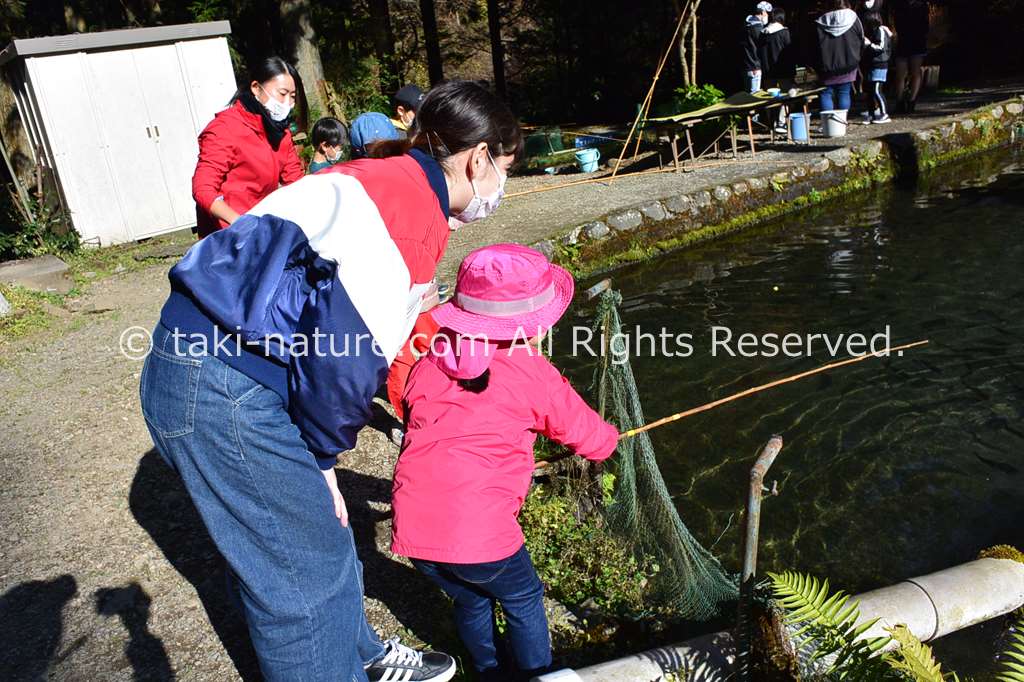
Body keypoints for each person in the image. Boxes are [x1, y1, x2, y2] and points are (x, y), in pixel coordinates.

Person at [139, 80, 522, 682]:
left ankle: (358, 655)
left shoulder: (390, 177)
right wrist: (321, 457)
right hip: (221, 379)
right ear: (478, 159)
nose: (501, 189)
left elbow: (378, 323)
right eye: (505, 169)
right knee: (299, 581)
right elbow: (346, 359)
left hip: (228, 358)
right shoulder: (406, 209)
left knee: (326, 531)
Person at [391, 243, 619, 681]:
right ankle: (539, 673)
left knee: (471, 599)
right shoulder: (531, 370)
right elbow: (593, 439)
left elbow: (417, 412)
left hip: (414, 530)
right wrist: (610, 437)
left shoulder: (430, 360)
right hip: (479, 534)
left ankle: (488, 671)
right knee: (524, 597)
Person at [192, 57, 305, 238]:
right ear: (256, 88)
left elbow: (296, 183)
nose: (287, 103)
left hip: (264, 230)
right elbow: (203, 189)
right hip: (228, 237)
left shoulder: (281, 133)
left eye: (292, 97)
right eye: (282, 93)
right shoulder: (225, 128)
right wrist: (240, 223)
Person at [816, 0, 865, 112]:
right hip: (849, 63)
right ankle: (842, 121)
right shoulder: (854, 18)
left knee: (825, 93)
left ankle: (828, 123)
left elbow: (814, 45)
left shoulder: (821, 21)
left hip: (826, 66)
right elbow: (861, 39)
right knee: (844, 91)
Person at [759, 6, 796, 131]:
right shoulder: (784, 32)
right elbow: (790, 53)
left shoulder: (763, 33)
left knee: (770, 99)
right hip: (784, 71)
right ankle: (781, 121)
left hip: (768, 72)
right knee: (789, 96)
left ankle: (771, 123)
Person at [892, 0, 930, 113]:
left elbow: (925, 25)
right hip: (903, 41)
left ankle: (912, 100)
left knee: (915, 71)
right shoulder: (899, 5)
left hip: (917, 41)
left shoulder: (922, 5)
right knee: (900, 73)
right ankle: (899, 101)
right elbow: (896, 22)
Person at [862, 10, 894, 123]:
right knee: (870, 91)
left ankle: (884, 114)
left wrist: (868, 44)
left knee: (877, 90)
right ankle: (872, 114)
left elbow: (880, 47)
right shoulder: (871, 31)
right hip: (871, 64)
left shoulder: (880, 30)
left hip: (880, 65)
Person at [741, 2, 773, 93]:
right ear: (763, 12)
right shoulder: (757, 27)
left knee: (748, 95)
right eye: (767, 13)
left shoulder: (747, 24)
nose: (768, 15)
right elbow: (761, 46)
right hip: (754, 66)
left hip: (746, 65)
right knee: (754, 98)